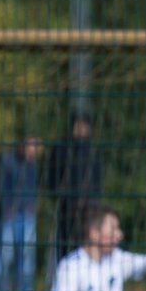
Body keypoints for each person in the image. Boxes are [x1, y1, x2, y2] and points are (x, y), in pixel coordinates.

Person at [0, 135, 44, 291]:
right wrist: (5, 206)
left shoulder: (32, 165)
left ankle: (25, 290)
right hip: (9, 213)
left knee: (27, 253)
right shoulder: (7, 161)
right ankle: (2, 290)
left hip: (27, 213)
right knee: (5, 253)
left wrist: (31, 206)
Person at [50, 111, 102, 261]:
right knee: (64, 246)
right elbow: (53, 177)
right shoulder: (61, 148)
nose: (81, 129)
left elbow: (97, 179)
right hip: (67, 207)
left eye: (84, 125)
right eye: (77, 125)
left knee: (87, 244)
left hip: (88, 208)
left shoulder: (93, 150)